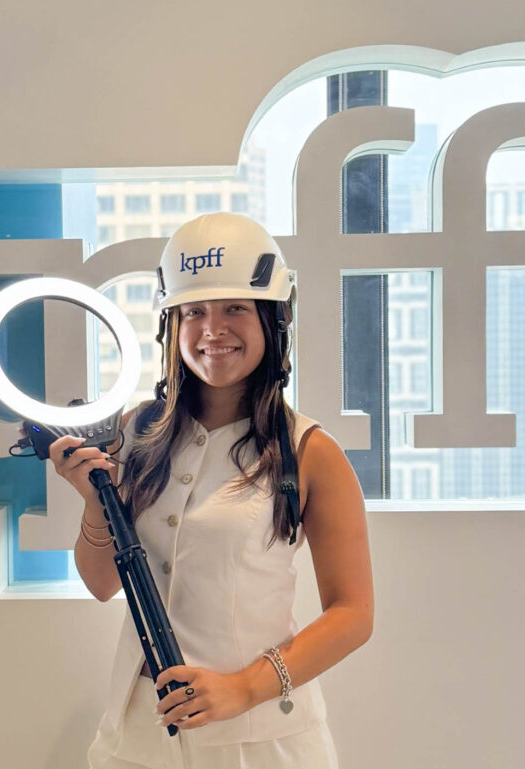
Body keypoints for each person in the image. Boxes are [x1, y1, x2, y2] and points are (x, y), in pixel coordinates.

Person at [52, 212, 374, 769]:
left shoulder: (311, 451)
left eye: (235, 309)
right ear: (170, 325)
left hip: (261, 743)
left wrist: (243, 687)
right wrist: (94, 501)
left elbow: (353, 614)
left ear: (273, 321)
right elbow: (102, 583)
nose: (212, 329)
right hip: (135, 737)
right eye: (194, 311)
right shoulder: (137, 432)